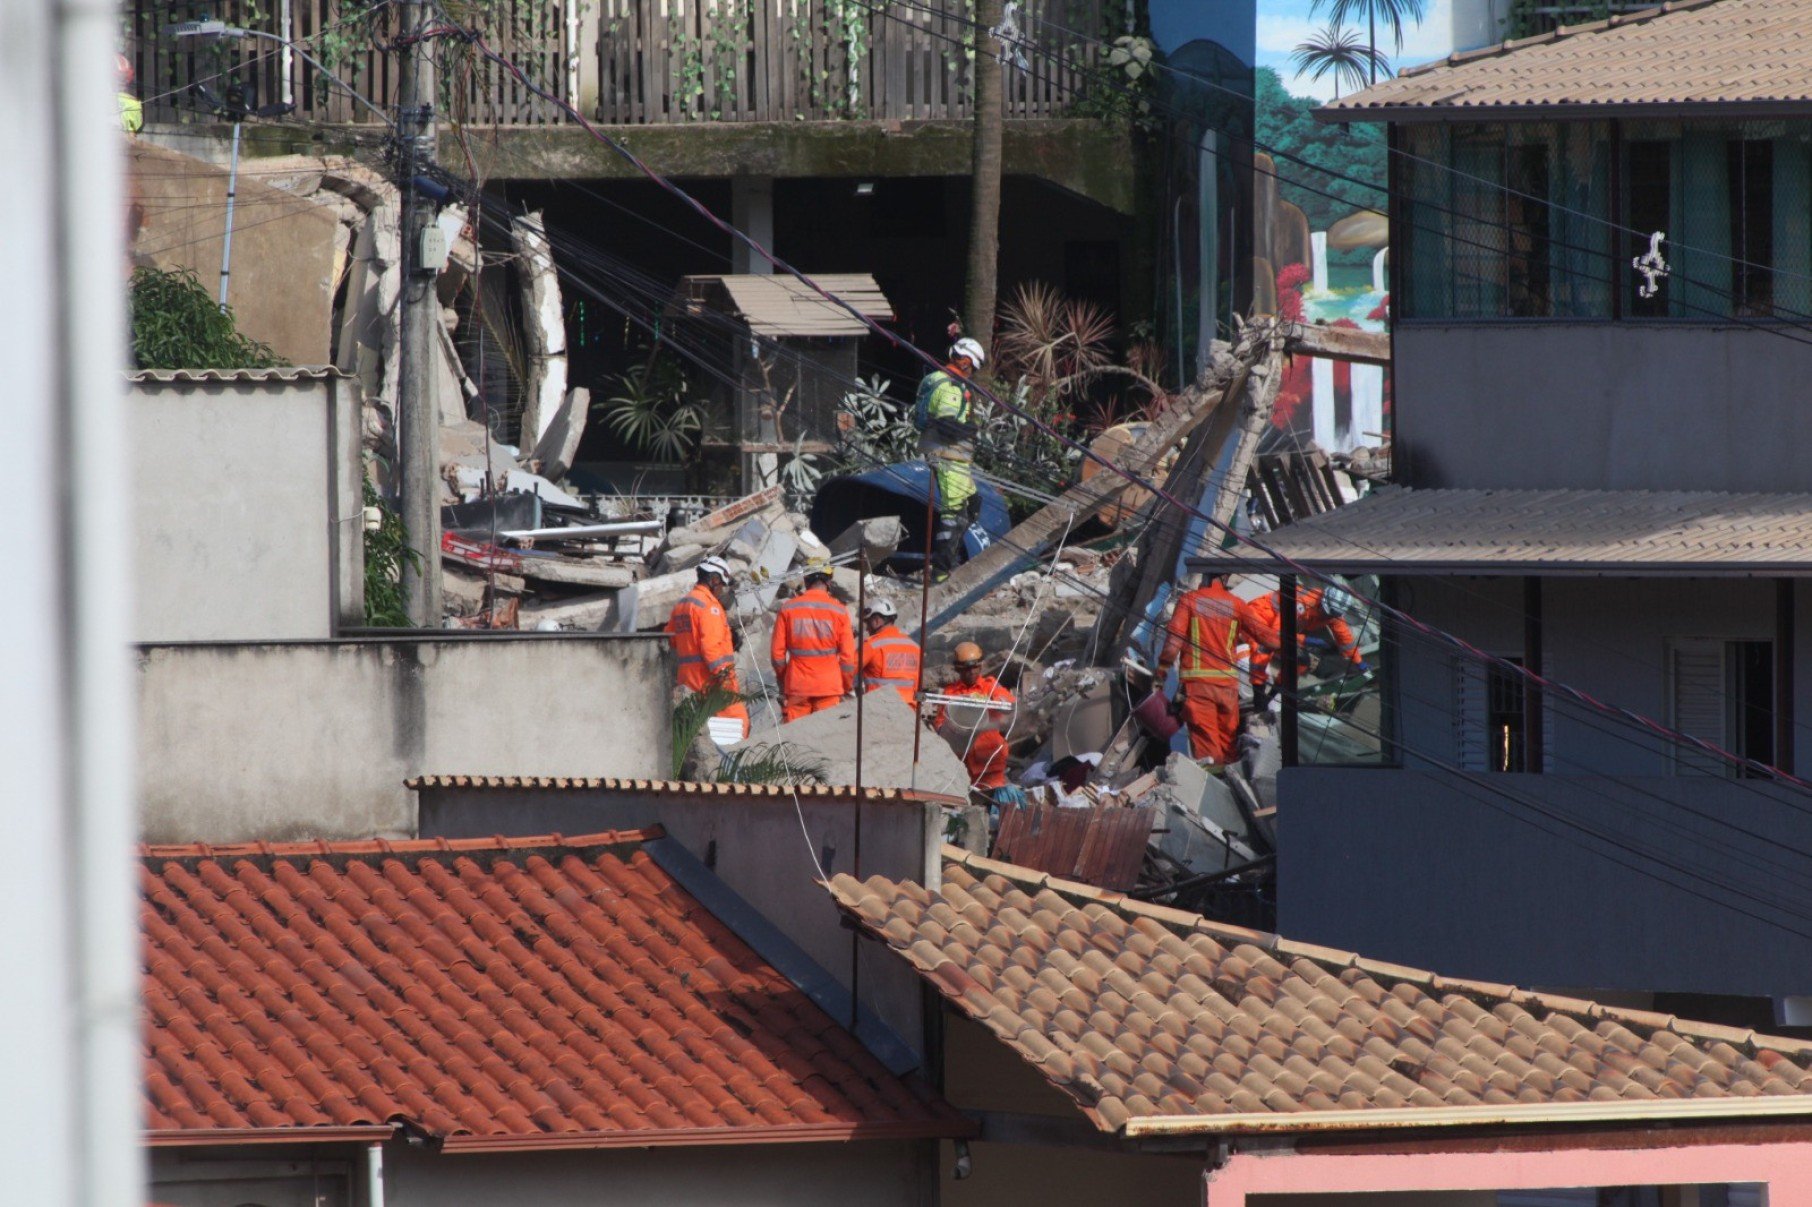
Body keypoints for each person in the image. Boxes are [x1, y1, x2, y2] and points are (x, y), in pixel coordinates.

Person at [1159, 575, 1280, 766]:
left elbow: (1173, 643)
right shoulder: (1237, 604)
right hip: (1227, 689)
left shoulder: (1190, 600)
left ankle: (1213, 782)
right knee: (1229, 748)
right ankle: (1230, 778)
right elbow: (1269, 639)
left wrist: (1161, 672)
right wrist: (1297, 642)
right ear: (1225, 578)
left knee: (1208, 752)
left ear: (1207, 577)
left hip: (1199, 687)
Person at [917, 337, 986, 581]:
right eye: (973, 368)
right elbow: (946, 425)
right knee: (954, 514)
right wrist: (971, 429)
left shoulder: (935, 379)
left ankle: (948, 559)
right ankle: (941, 570)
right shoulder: (950, 388)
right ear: (965, 361)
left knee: (972, 505)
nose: (972, 374)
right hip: (947, 456)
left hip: (953, 458)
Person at [664, 556, 749, 743]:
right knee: (738, 722)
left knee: (705, 730)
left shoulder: (682, 605)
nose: (721, 590)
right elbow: (710, 649)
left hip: (688, 681)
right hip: (711, 681)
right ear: (714, 580)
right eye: (721, 585)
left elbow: (671, 639)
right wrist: (724, 678)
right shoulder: (709, 606)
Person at [931, 641, 1017, 800]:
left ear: (980, 666)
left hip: (989, 757)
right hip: (962, 761)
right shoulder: (951, 692)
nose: (971, 672)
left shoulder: (989, 686)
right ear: (958, 669)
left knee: (994, 801)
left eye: (974, 668)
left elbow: (1009, 704)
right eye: (966, 669)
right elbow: (940, 723)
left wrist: (997, 701)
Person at [771, 560, 855, 722]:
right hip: (829, 686)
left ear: (806, 580)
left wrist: (784, 680)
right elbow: (848, 659)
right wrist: (844, 685)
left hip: (797, 685)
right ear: (828, 582)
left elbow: (777, 656)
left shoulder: (788, 608)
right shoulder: (839, 611)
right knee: (826, 734)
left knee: (796, 736)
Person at [857, 597, 921, 705]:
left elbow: (848, 671)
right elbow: (917, 684)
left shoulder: (872, 645)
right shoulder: (914, 647)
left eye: (868, 623)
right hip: (909, 709)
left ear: (876, 621)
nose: (867, 629)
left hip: (880, 708)